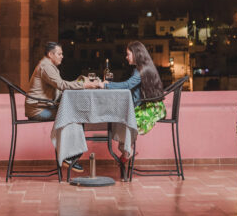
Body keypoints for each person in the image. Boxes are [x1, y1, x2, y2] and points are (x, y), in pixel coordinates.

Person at [26, 42, 101, 171]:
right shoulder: (46, 66)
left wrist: (81, 82)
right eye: (59, 54)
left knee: (73, 114)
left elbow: (60, 87)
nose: (62, 56)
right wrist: (84, 85)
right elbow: (61, 85)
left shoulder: (49, 66)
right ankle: (69, 157)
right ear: (50, 54)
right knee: (72, 115)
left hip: (43, 107)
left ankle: (70, 156)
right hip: (38, 110)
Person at [101, 41, 166, 162]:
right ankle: (126, 150)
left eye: (128, 54)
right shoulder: (143, 68)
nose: (126, 57)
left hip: (149, 110)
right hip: (152, 106)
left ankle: (126, 150)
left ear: (136, 54)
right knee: (121, 115)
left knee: (123, 117)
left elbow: (127, 85)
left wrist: (105, 85)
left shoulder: (140, 70)